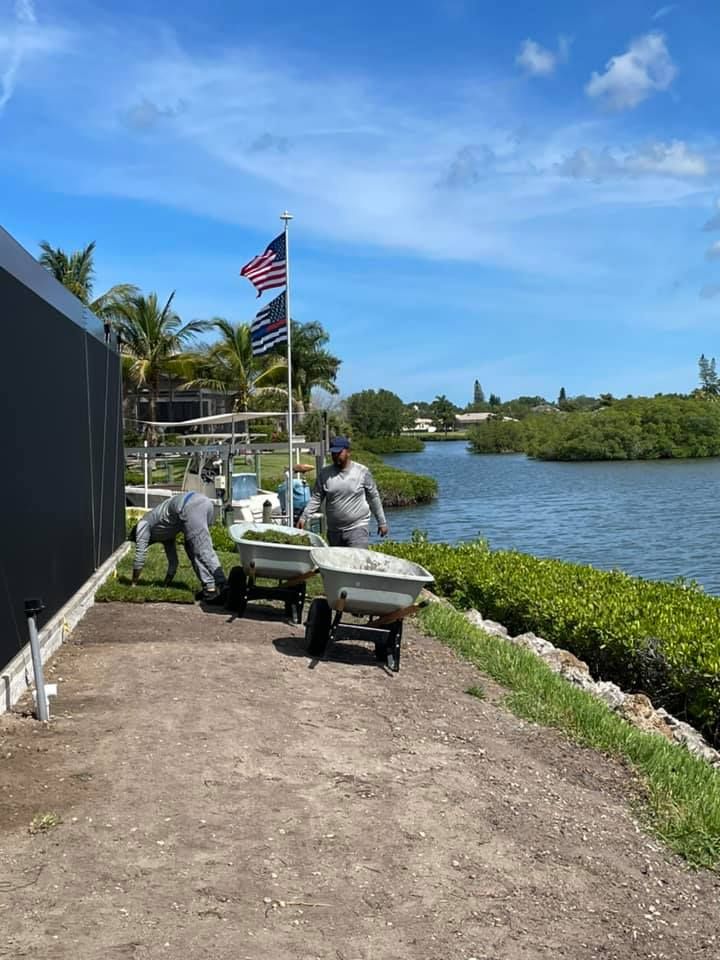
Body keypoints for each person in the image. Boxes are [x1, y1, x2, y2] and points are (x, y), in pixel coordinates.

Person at [129, 492, 227, 604]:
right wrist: (166, 583)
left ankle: (224, 586)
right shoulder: (166, 533)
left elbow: (140, 556)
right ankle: (209, 590)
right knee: (191, 547)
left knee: (203, 550)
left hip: (190, 506)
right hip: (202, 502)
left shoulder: (143, 524)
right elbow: (173, 563)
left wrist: (133, 584)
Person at [297, 436, 388, 547]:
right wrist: (304, 517)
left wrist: (382, 522)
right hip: (334, 531)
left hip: (358, 527)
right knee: (338, 563)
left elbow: (373, 497)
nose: (335, 456)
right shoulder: (324, 474)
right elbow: (316, 498)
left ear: (348, 452)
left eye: (339, 453)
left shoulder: (362, 472)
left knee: (356, 561)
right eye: (333, 453)